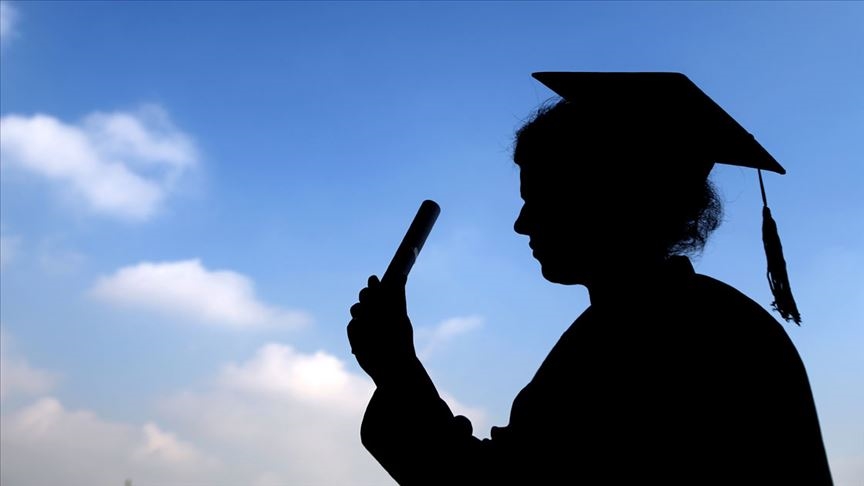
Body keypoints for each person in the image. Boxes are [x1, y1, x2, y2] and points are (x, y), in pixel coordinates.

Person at [347, 72, 833, 484]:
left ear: (608, 197)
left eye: (539, 199)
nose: (521, 223)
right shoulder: (701, 317)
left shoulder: (651, 338)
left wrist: (396, 367)